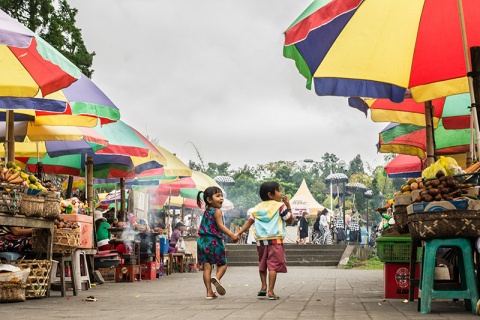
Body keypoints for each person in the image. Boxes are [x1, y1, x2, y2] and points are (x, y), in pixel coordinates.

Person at [236, 181, 293, 300]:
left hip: (261, 241)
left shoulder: (257, 208)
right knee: (273, 266)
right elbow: (289, 220)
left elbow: (249, 222)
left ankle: (263, 286)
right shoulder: (279, 206)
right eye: (278, 190)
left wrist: (239, 233)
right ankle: (271, 291)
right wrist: (288, 206)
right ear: (270, 194)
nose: (281, 193)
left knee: (262, 263)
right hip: (275, 241)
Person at [196, 186, 238, 300]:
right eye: (218, 196)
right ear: (209, 200)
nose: (222, 199)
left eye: (222, 196)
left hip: (202, 241)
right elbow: (220, 225)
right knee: (223, 264)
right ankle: (217, 278)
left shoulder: (206, 211)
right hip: (213, 241)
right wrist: (232, 235)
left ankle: (209, 292)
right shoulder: (217, 211)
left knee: (206, 267)